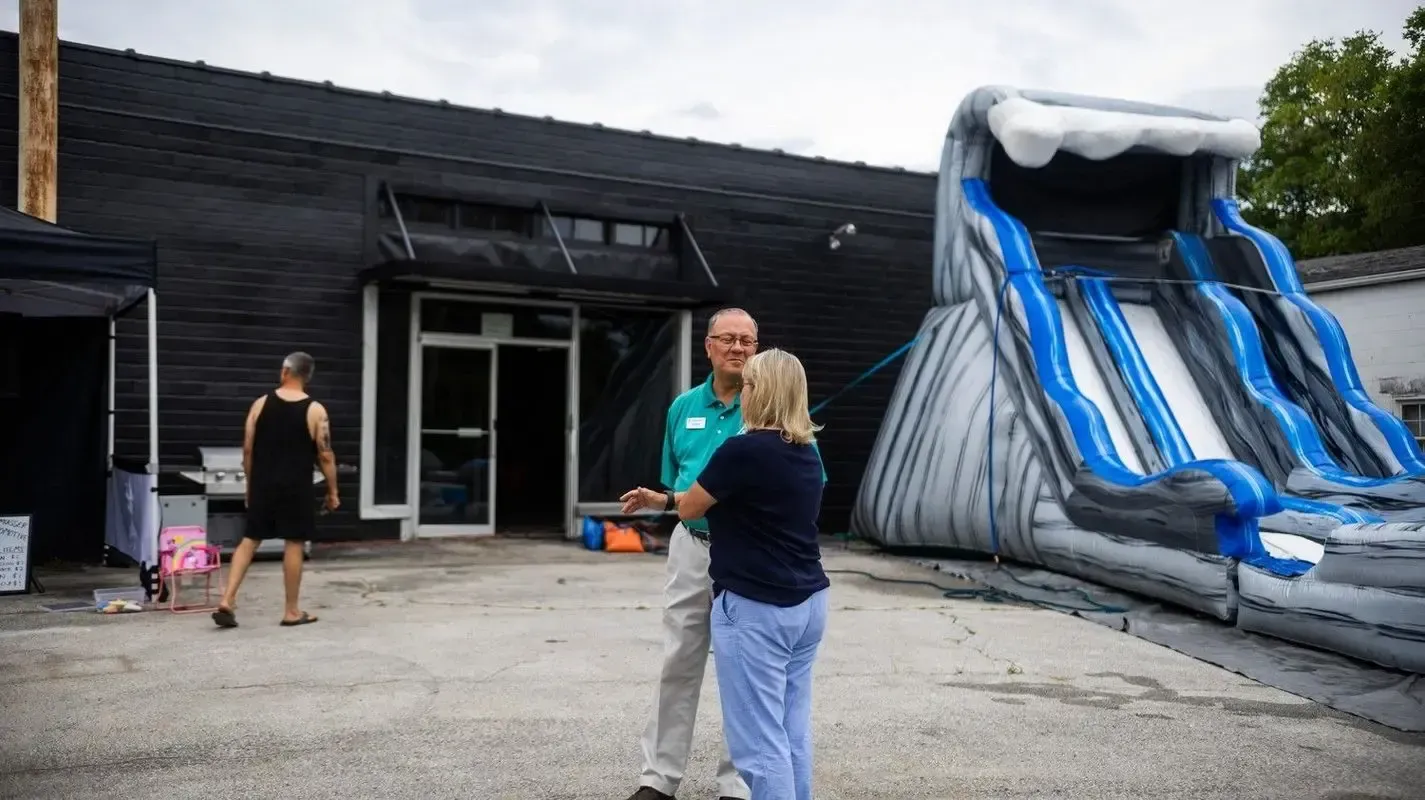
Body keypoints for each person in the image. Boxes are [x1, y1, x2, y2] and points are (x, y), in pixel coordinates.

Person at [624, 349, 830, 800]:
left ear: (763, 391)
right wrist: (666, 499)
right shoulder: (806, 452)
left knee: (758, 741)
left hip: (757, 605)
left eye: (750, 385)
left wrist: (675, 500)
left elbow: (694, 506)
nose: (744, 393)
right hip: (808, 603)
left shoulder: (742, 450)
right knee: (790, 728)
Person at [618, 307, 759, 800]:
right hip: (692, 545)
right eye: (728, 339)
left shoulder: (771, 405)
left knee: (745, 668)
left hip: (749, 551)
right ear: (708, 345)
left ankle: (739, 783)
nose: (737, 348)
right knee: (678, 660)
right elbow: (676, 480)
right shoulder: (682, 408)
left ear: (756, 348)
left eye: (747, 341)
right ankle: (658, 779)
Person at [212, 351, 339, 629]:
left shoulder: (260, 404)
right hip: (297, 486)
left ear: (284, 371)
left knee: (250, 539)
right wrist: (333, 491)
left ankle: (227, 599)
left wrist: (250, 485)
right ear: (307, 377)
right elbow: (325, 454)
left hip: (263, 483)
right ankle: (291, 611)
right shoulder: (316, 410)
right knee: (294, 542)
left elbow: (247, 450)